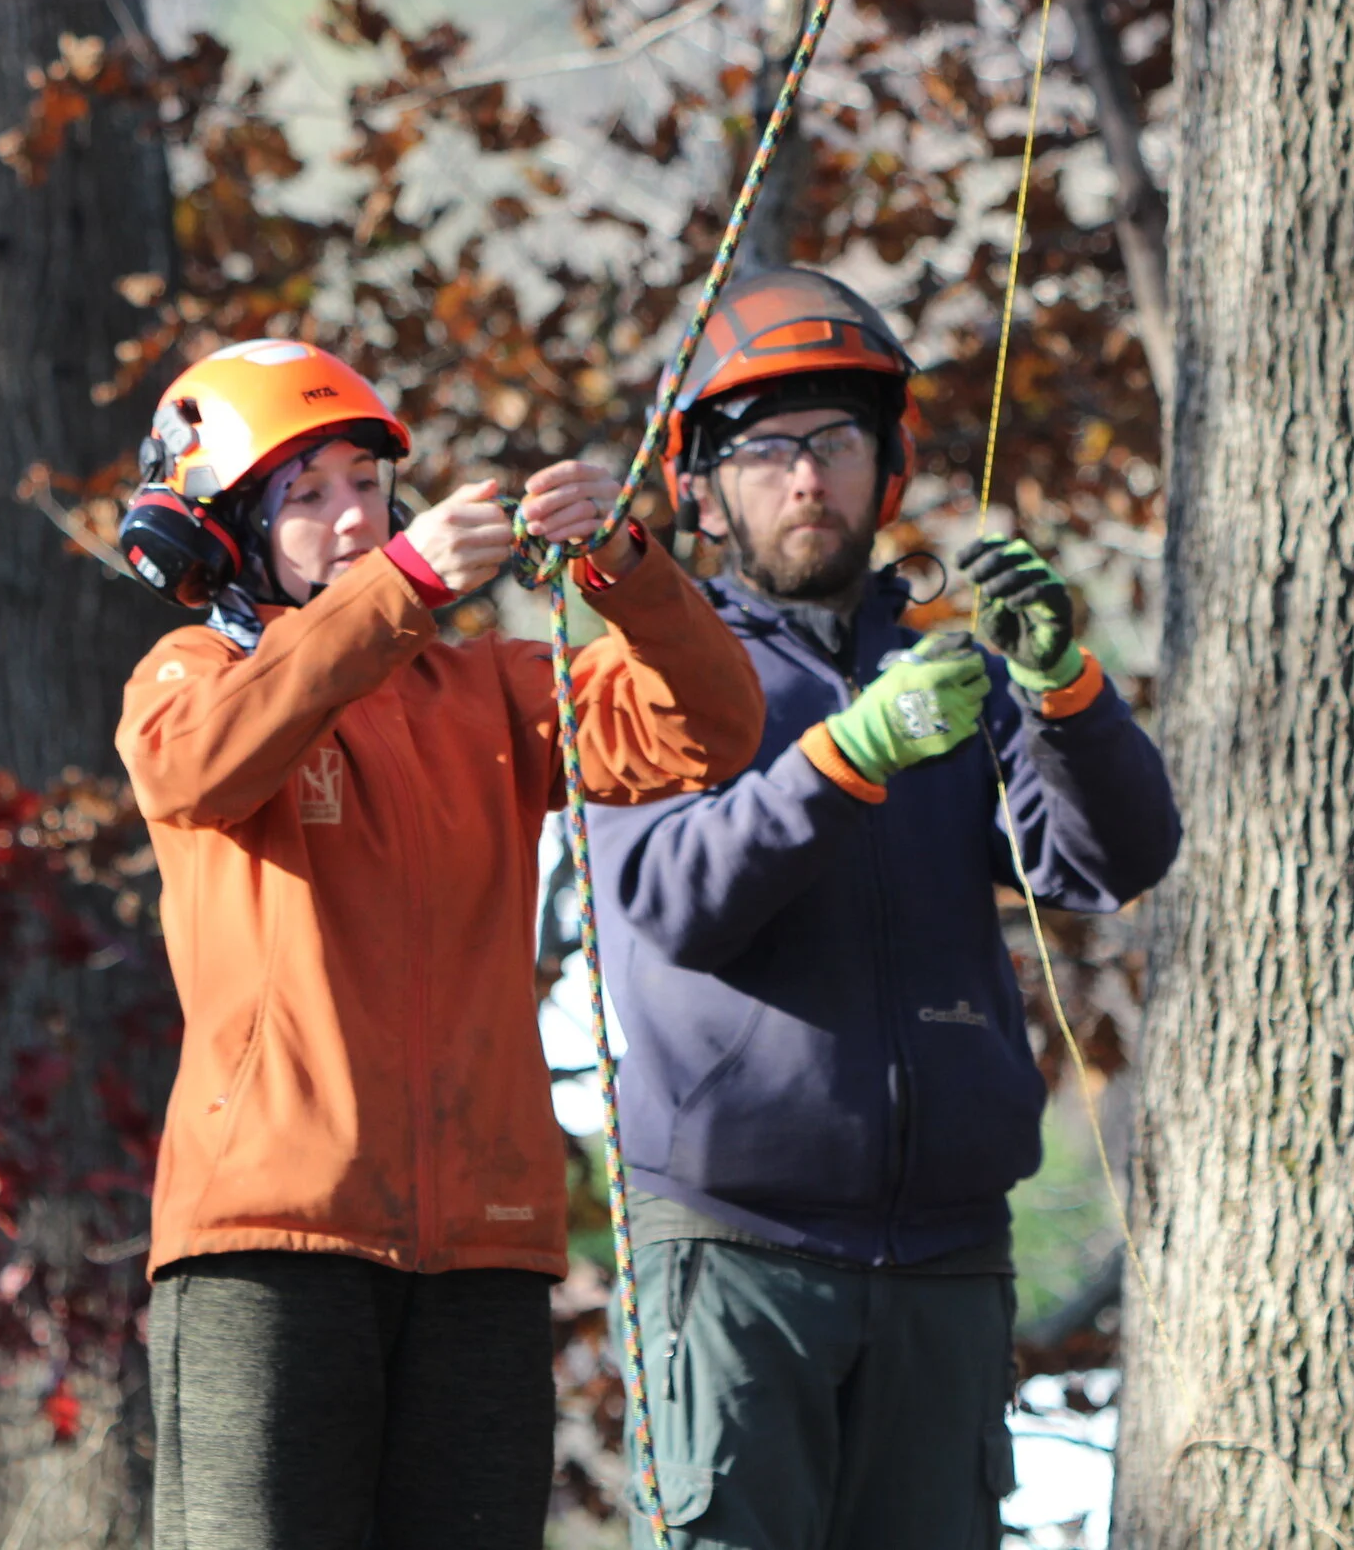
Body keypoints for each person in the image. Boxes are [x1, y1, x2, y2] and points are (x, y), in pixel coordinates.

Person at [114, 339, 765, 1550]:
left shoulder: (488, 688)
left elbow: (711, 728)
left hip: (484, 1241)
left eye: (367, 484)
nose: (353, 517)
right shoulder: (191, 674)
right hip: (268, 1244)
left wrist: (625, 568)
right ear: (219, 528)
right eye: (305, 494)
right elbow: (200, 765)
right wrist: (402, 584)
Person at [586, 269, 1182, 1548]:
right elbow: (672, 900)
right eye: (768, 449)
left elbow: (1109, 859)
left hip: (947, 1257)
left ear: (888, 466)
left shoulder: (946, 660)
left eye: (837, 442)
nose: (808, 478)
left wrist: (1063, 687)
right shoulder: (647, 672)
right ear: (701, 489)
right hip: (735, 1248)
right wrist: (843, 758)